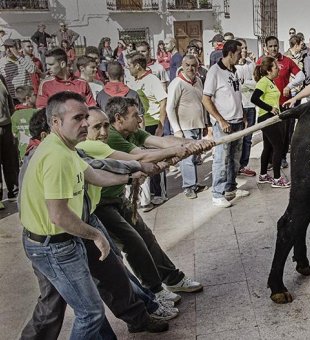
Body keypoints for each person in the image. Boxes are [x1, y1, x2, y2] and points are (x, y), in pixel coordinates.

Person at [20, 108, 171, 339]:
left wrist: (131, 177)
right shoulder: (53, 157)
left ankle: (138, 318)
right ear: (53, 126)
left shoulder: (66, 149)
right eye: (78, 119)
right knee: (77, 309)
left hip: (77, 227)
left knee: (113, 276)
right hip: (57, 240)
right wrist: (96, 235)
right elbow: (59, 215)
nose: (86, 125)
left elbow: (93, 172)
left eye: (85, 118)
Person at [93, 96, 209, 300]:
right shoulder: (109, 137)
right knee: (132, 243)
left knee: (146, 238)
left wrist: (197, 143)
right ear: (119, 118)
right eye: (135, 115)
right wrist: (181, 150)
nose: (140, 120)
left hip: (118, 198)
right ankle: (153, 290)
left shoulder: (131, 131)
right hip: (101, 204)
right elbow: (142, 157)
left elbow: (163, 141)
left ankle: (172, 279)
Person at [202, 40, 250, 208]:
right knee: (221, 159)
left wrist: (243, 114)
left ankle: (230, 188)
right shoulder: (214, 72)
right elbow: (206, 99)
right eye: (239, 52)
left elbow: (235, 95)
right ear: (230, 53)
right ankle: (217, 193)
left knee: (234, 159)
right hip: (224, 124)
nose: (241, 55)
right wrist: (221, 120)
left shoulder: (234, 70)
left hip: (237, 121)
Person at [124, 52, 168, 207]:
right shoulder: (132, 81)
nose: (127, 68)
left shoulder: (152, 80)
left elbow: (163, 102)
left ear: (137, 65)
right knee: (144, 159)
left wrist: (161, 126)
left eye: (129, 65)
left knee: (157, 159)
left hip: (153, 124)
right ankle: (147, 194)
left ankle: (160, 193)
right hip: (138, 126)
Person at [257, 36, 305, 169]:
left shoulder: (287, 61)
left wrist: (289, 86)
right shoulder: (261, 61)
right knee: (268, 136)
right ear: (266, 47)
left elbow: (301, 75)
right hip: (267, 107)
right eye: (270, 46)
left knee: (283, 134)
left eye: (275, 46)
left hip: (283, 104)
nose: (273, 48)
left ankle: (281, 158)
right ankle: (269, 161)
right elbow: (256, 80)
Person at [166, 55, 208, 199]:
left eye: (193, 66)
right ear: (182, 66)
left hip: (197, 125)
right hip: (184, 128)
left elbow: (202, 104)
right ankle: (189, 186)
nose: (190, 68)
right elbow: (170, 108)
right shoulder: (177, 83)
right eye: (187, 65)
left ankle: (194, 184)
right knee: (187, 159)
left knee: (195, 157)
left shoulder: (198, 81)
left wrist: (205, 124)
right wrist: (177, 130)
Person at [250, 57, 290, 188]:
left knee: (268, 147)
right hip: (266, 118)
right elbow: (254, 98)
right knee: (278, 147)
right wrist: (270, 108)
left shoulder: (270, 81)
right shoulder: (263, 82)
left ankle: (263, 175)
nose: (278, 69)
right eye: (275, 67)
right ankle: (277, 178)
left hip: (271, 118)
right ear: (268, 70)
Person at [235, 38, 258, 178]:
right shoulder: (233, 67)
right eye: (240, 48)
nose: (243, 51)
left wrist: (245, 84)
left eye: (245, 48)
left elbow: (257, 83)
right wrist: (244, 85)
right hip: (239, 106)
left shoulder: (251, 64)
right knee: (238, 138)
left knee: (248, 138)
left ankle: (243, 165)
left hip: (250, 105)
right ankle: (235, 165)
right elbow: (236, 87)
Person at [0, 74, 18, 205]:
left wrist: (12, 114)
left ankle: (13, 191)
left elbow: (9, 100)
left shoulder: (1, 77)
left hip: (6, 126)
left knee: (10, 160)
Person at [11, 85, 37, 160]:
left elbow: (14, 134)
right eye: (34, 95)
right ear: (28, 98)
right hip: (36, 150)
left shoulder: (14, 115)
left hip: (23, 152)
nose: (36, 97)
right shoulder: (36, 112)